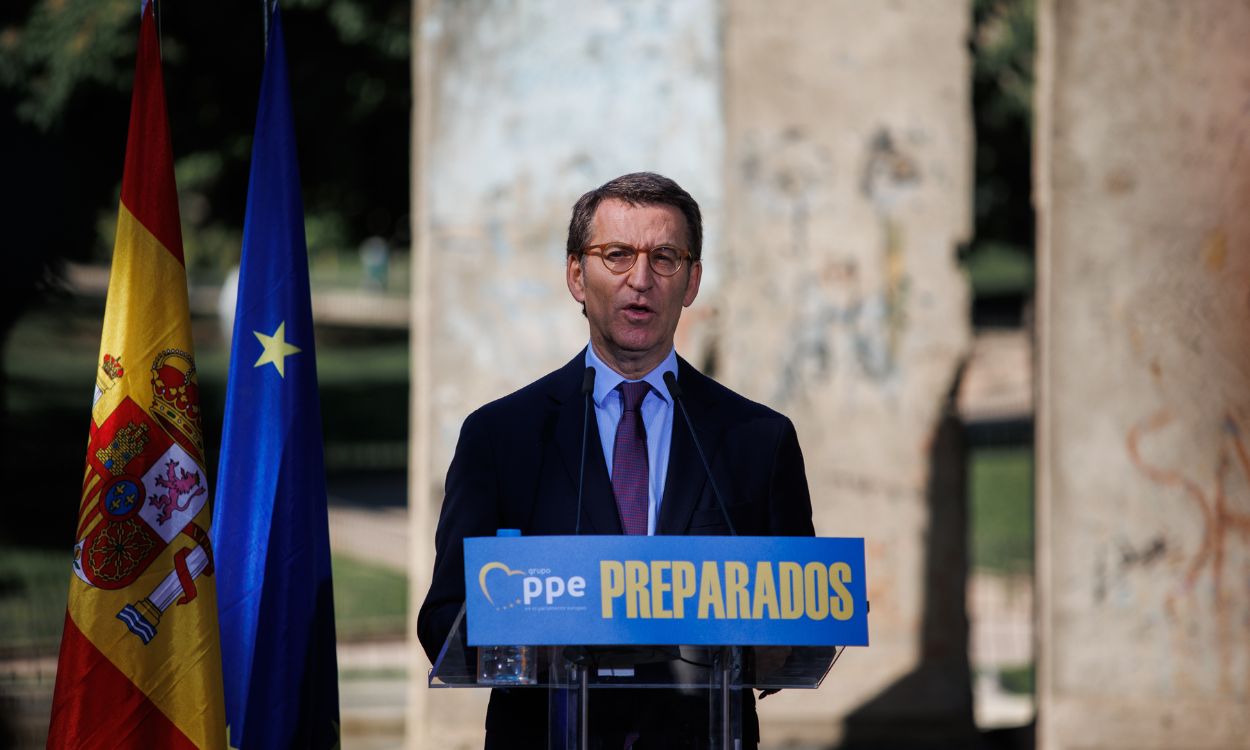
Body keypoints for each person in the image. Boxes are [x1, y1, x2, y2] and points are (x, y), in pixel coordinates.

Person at [418, 172, 814, 748]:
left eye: (666, 258)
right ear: (577, 275)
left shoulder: (758, 439)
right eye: (617, 255)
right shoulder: (500, 437)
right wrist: (533, 647)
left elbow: (796, 616)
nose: (641, 280)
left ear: (693, 280)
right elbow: (444, 617)